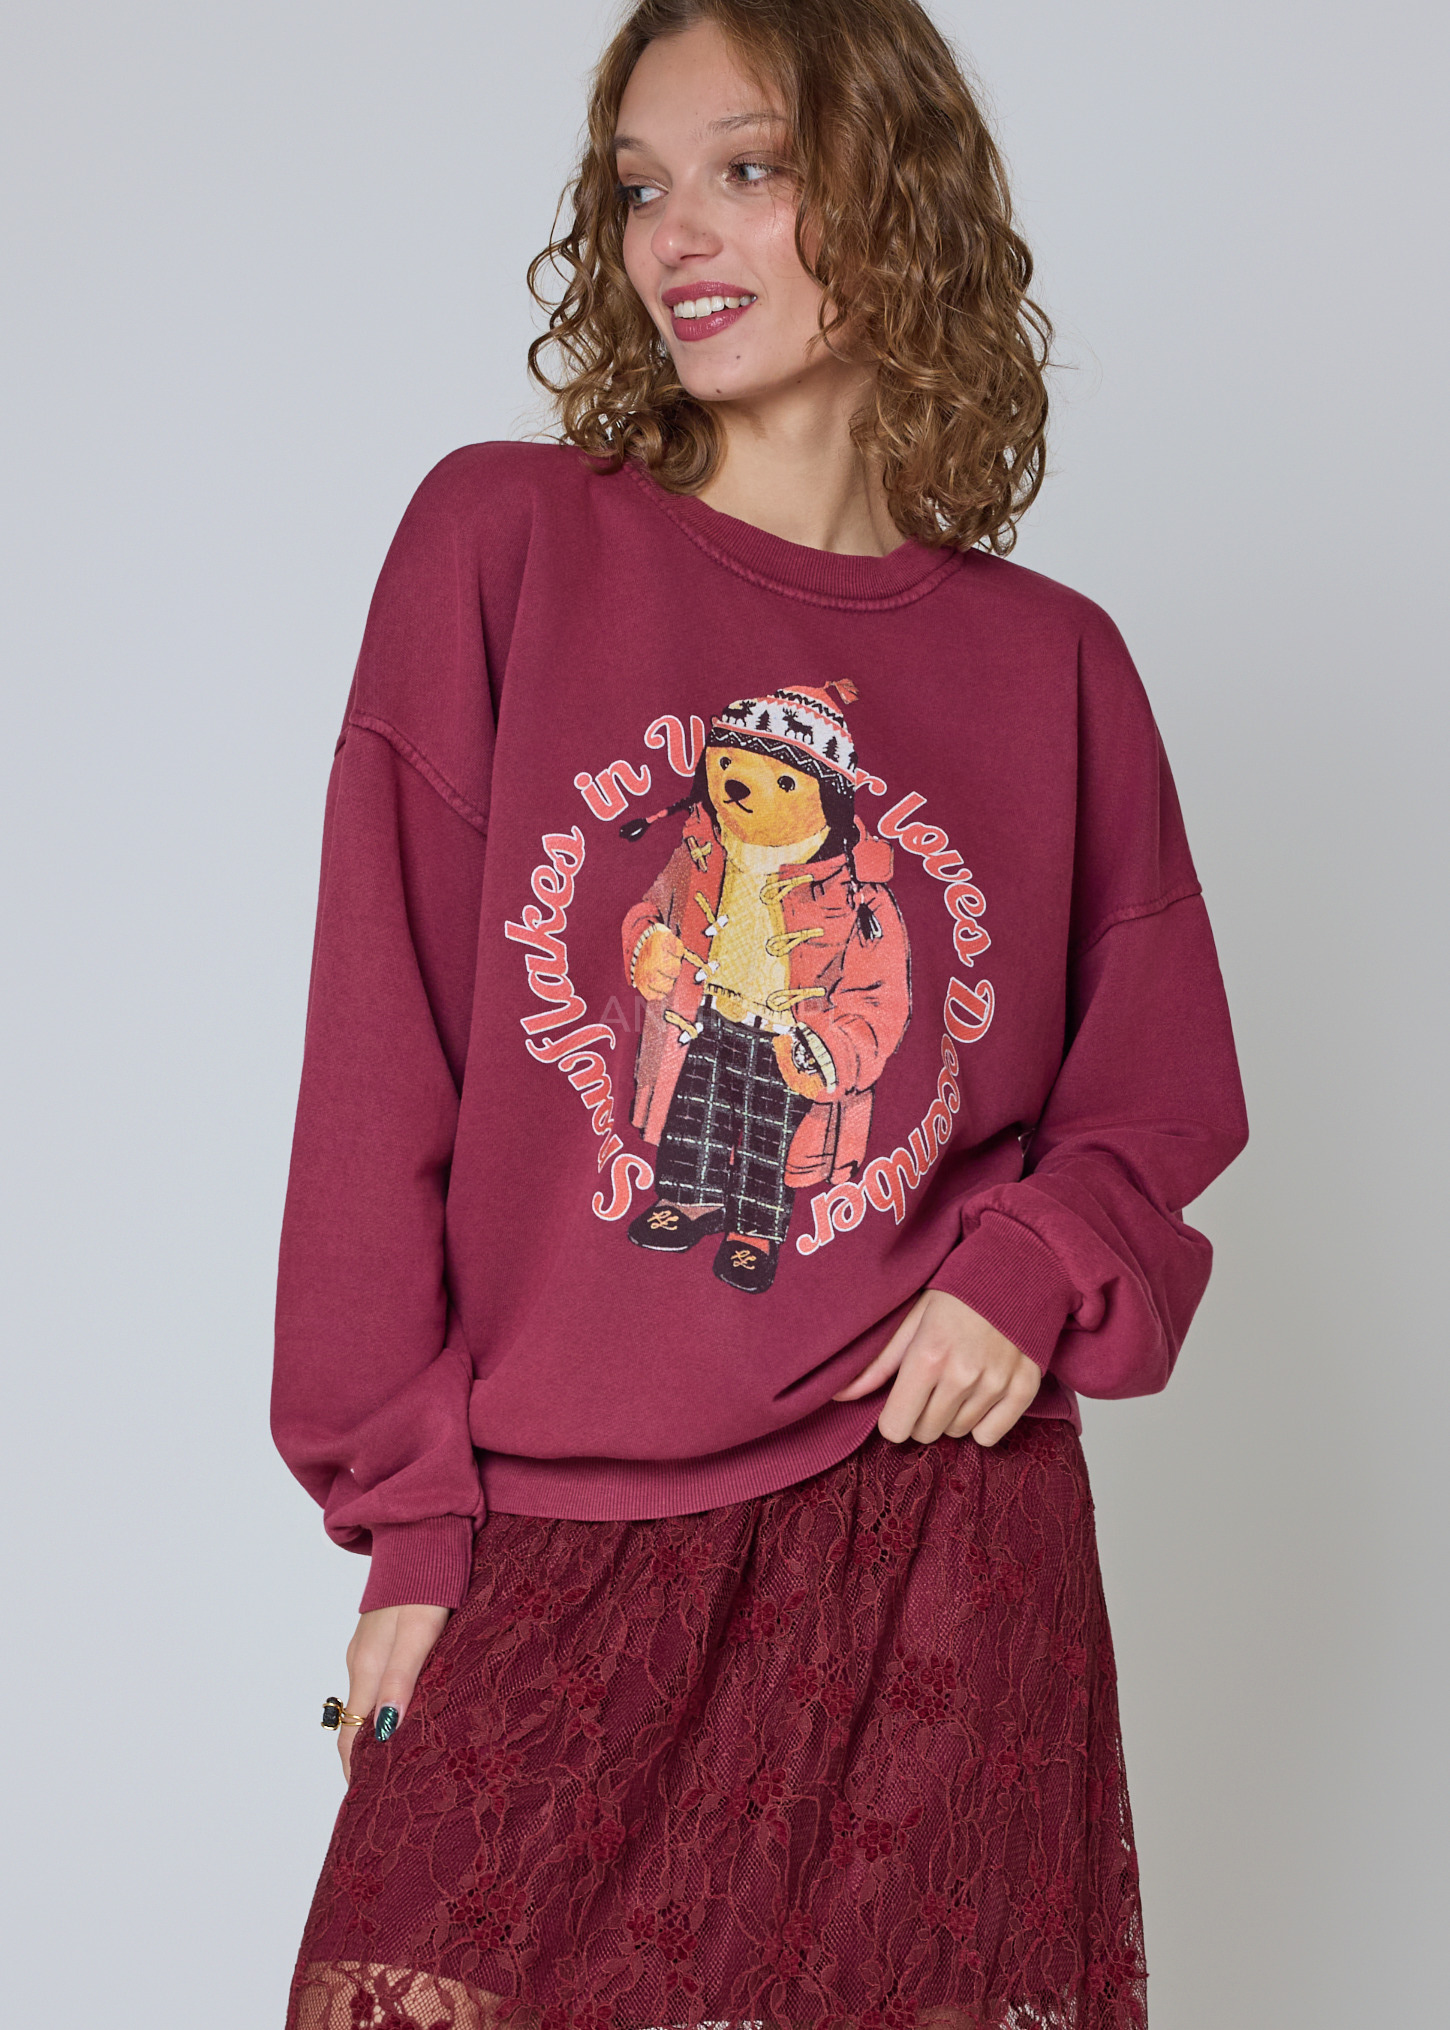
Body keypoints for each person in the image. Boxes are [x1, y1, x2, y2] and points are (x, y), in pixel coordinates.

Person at [271, 2, 1248, 2025]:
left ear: (895, 199)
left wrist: (1026, 1264)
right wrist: (411, 1521)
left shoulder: (1053, 666)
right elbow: (379, 1067)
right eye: (639, 186)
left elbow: (1155, 1092)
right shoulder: (504, 540)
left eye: (748, 168)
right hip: (560, 1516)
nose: (677, 236)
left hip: (927, 1541)